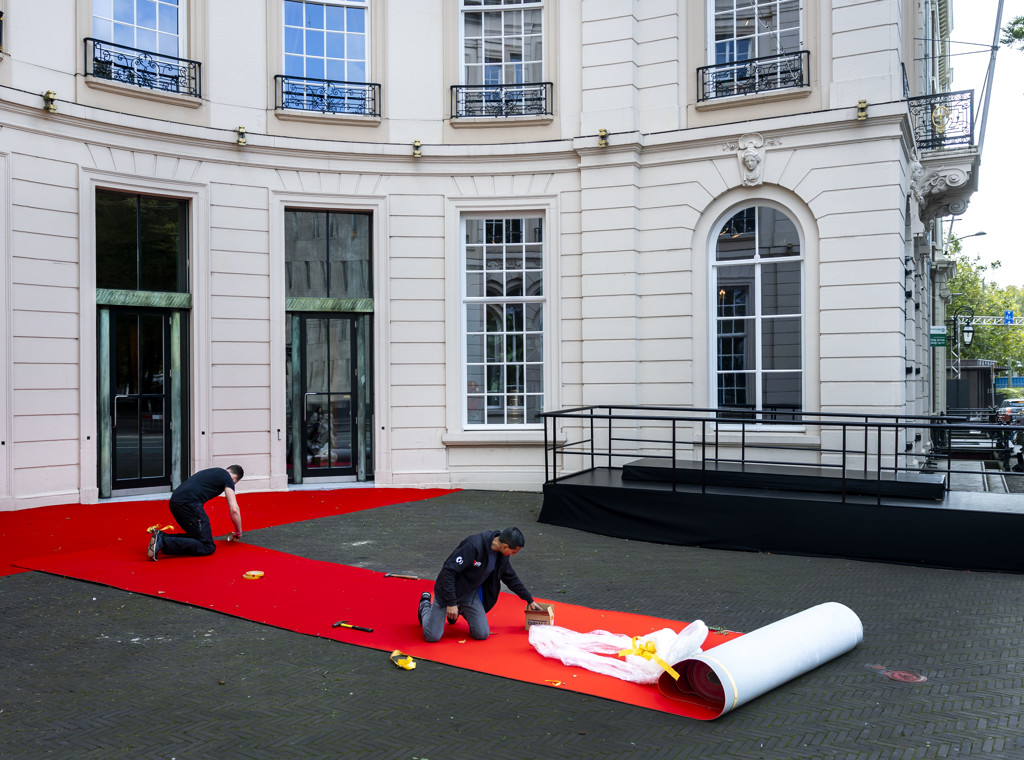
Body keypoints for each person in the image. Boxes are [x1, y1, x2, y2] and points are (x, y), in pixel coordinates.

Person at [418, 526, 543, 642]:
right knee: (432, 637)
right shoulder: (473, 545)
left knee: (482, 634)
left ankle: (459, 609)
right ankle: (425, 606)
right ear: (505, 546)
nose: (513, 555)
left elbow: (511, 578)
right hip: (447, 591)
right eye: (514, 552)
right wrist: (451, 602)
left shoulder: (502, 556)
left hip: (468, 592)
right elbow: (448, 571)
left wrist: (529, 599)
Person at [147, 465, 244, 561]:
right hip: (189, 504)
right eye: (234, 483)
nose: (233, 485)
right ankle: (164, 541)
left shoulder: (214, 471)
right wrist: (238, 531)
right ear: (235, 477)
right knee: (207, 546)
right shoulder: (227, 477)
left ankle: (162, 537)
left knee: (196, 537)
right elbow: (234, 509)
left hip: (175, 502)